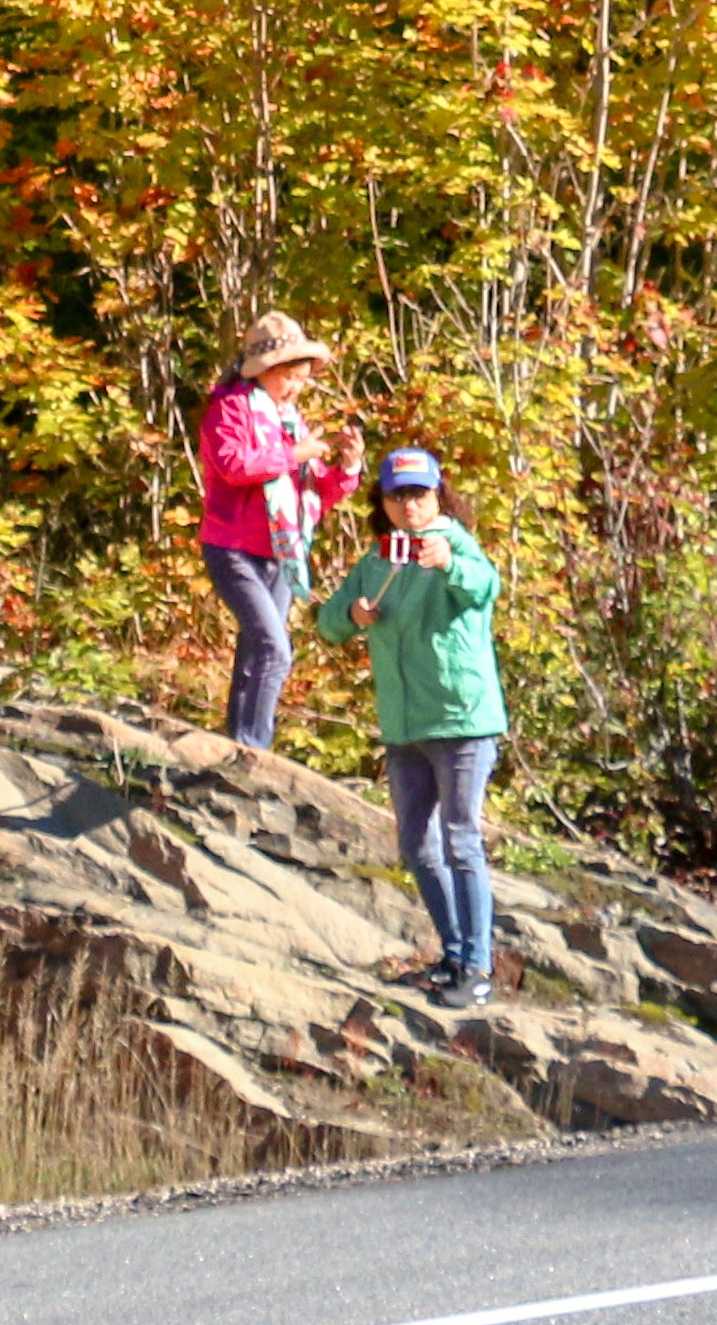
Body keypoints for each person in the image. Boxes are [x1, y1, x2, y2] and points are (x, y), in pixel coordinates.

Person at [312, 447, 507, 1006]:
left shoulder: (455, 543)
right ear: (384, 502)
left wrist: (448, 561)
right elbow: (328, 622)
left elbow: (485, 586)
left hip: (461, 719)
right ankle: (452, 956)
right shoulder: (376, 559)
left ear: (437, 495)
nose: (410, 506)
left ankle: (478, 967)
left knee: (462, 839)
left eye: (419, 494)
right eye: (398, 496)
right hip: (403, 726)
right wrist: (352, 617)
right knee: (416, 846)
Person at [190, 313, 354, 754]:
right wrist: (291, 454)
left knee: (256, 651)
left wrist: (349, 467)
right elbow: (233, 466)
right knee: (274, 649)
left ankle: (238, 745)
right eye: (290, 376)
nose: (298, 387)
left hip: (282, 550)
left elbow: (314, 491)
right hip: (233, 547)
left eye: (303, 378)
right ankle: (254, 747)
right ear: (266, 370)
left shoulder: (290, 420)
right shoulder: (229, 409)